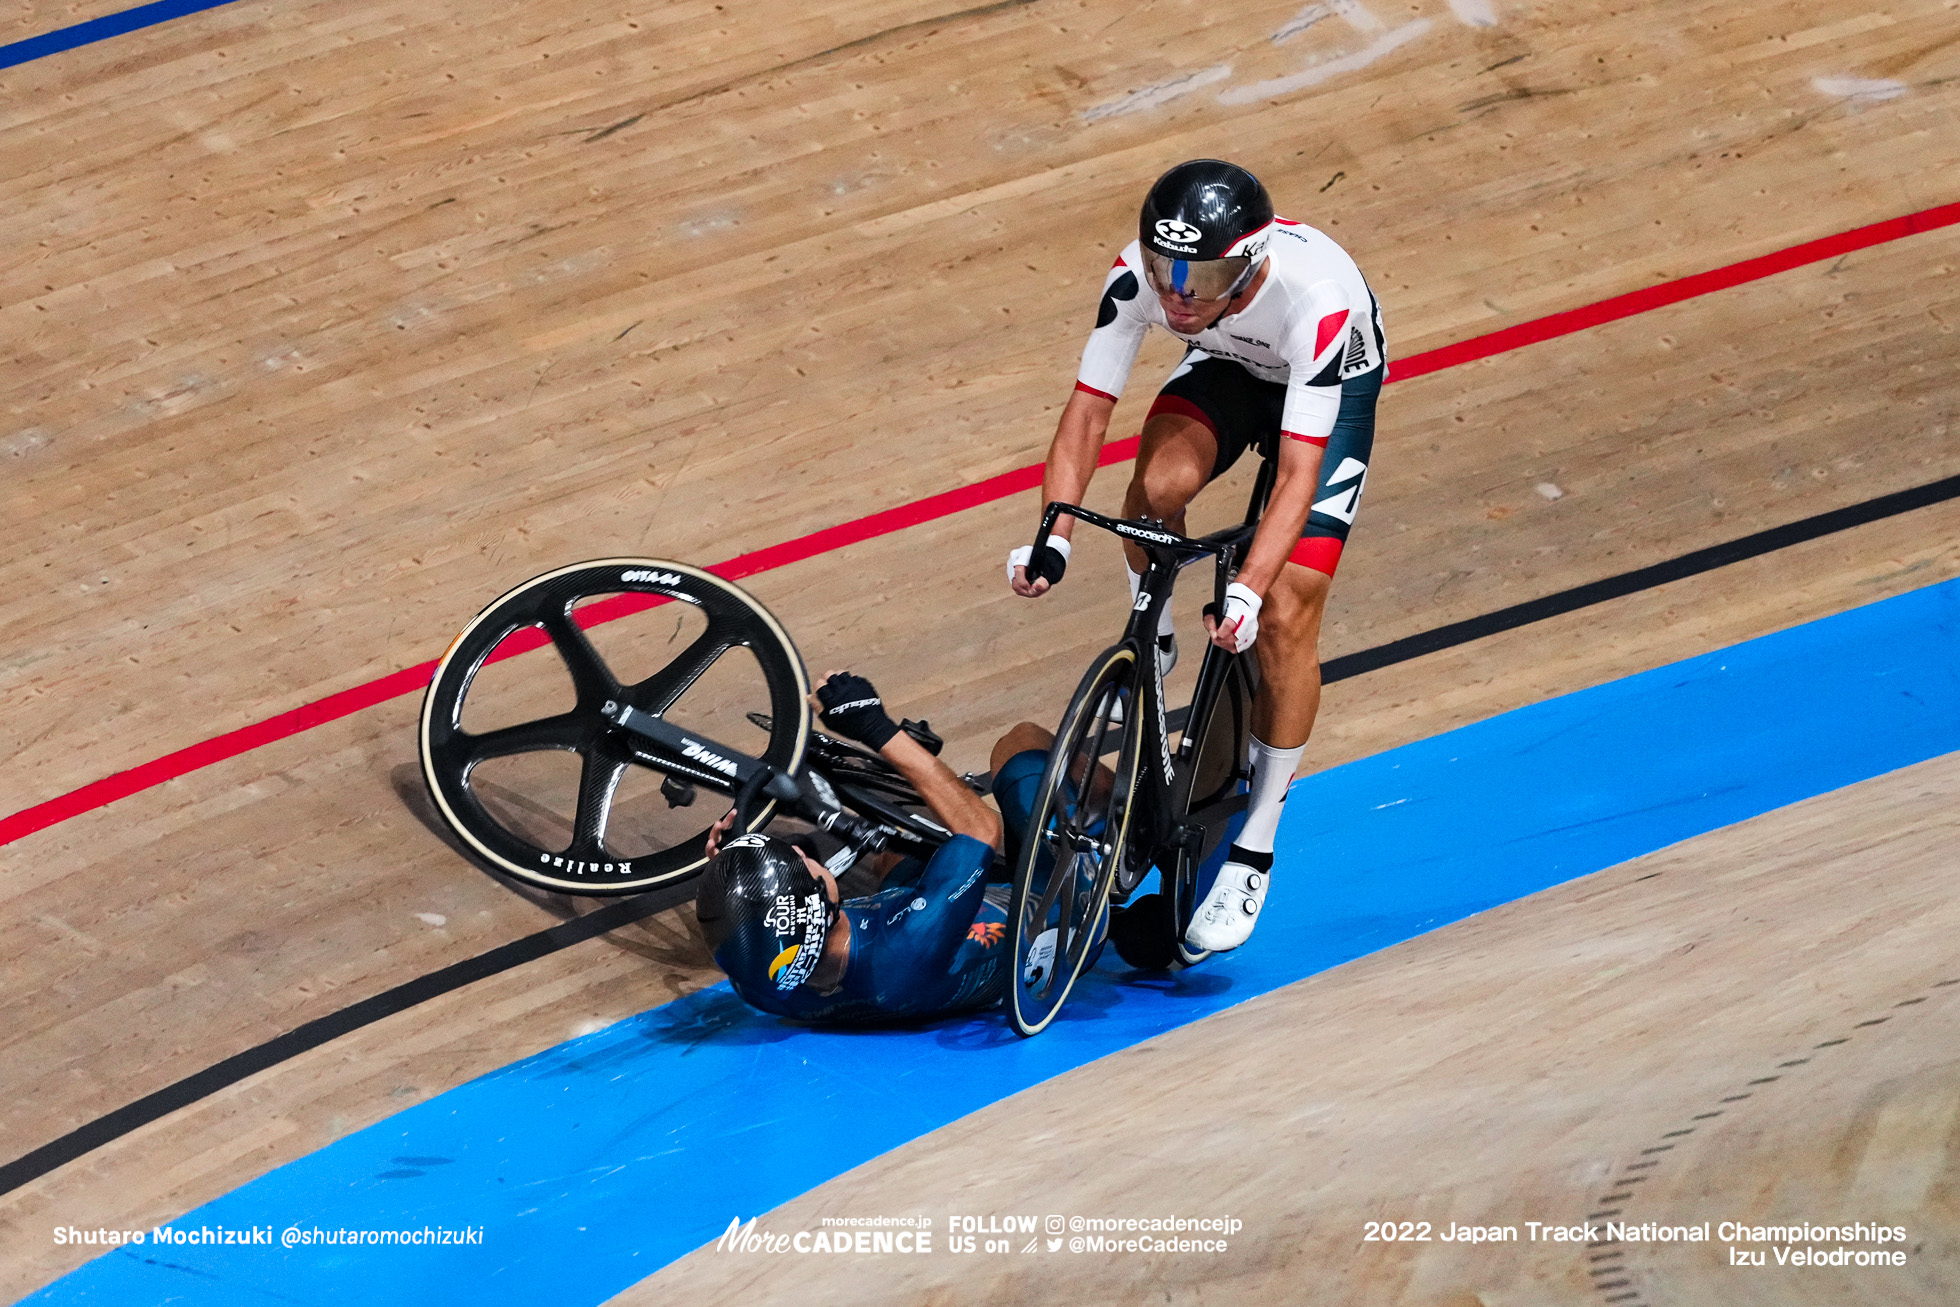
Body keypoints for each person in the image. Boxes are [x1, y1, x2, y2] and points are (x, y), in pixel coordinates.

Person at [1007, 159, 1387, 953]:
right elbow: (1087, 411)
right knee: (1154, 489)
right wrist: (1055, 533)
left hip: (1324, 387)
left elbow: (1296, 477)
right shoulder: (1147, 278)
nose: (1177, 293)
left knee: (1285, 613)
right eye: (1164, 269)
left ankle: (1255, 842)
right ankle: (1162, 625)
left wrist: (1248, 589)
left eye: (1201, 275)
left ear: (1247, 264)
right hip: (1232, 363)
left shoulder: (1314, 302)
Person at [695, 671, 1072, 1025]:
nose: (801, 853)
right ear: (818, 908)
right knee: (1018, 749)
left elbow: (744, 929)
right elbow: (980, 829)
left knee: (896, 845)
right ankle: (1113, 842)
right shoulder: (906, 946)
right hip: (1052, 906)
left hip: (911, 920)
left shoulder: (761, 986)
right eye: (804, 863)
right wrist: (875, 727)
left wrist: (730, 872)